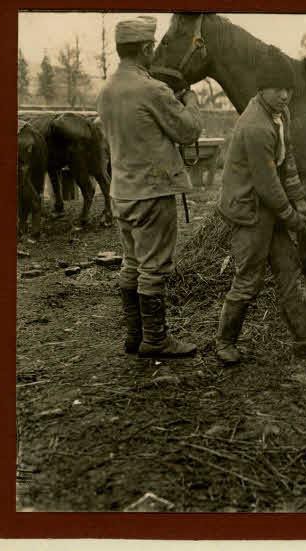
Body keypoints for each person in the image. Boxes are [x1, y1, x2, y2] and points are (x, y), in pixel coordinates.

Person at [215, 47, 306, 364]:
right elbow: (267, 183)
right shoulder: (255, 126)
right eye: (278, 89)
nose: (285, 95)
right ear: (262, 89)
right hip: (249, 210)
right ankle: (224, 342)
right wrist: (291, 217)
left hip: (268, 207)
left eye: (289, 89)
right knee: (248, 278)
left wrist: (299, 199)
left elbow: (289, 163)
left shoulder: (279, 114)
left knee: (288, 271)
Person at [97, 16, 202, 358]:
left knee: (131, 262)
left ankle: (135, 337)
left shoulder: (107, 90)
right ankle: (155, 341)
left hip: (121, 193)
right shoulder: (152, 89)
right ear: (145, 48)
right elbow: (188, 132)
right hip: (152, 192)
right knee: (154, 267)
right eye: (152, 48)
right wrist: (190, 99)